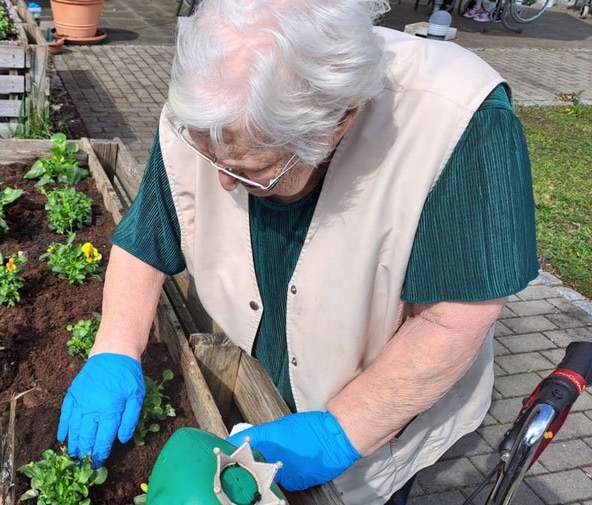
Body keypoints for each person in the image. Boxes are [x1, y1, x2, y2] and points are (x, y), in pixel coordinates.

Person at [57, 1, 538, 503]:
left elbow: (452, 322)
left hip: (374, 422)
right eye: (210, 154)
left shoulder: (459, 123)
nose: (222, 182)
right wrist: (114, 347)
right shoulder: (210, 101)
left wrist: (341, 430)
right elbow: (148, 235)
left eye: (249, 171)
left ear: (339, 121)